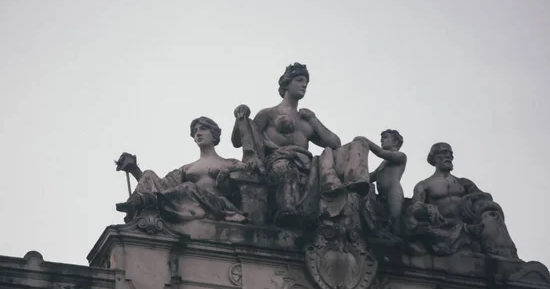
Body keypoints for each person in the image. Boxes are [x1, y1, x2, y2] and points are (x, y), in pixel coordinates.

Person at [231, 63, 370, 227]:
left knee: (357, 144)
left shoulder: (306, 120)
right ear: (287, 83)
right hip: (278, 160)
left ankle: (355, 185)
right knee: (285, 168)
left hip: (307, 164)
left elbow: (334, 143)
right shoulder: (268, 113)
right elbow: (238, 141)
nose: (304, 85)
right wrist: (240, 118)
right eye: (299, 80)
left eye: (306, 82)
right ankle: (287, 211)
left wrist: (314, 120)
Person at [116, 117, 247, 224]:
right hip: (191, 205)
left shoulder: (230, 163)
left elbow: (241, 188)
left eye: (203, 129)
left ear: (214, 135)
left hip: (217, 205)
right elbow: (160, 186)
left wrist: (224, 180)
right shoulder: (187, 168)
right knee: (149, 174)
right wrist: (134, 169)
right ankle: (139, 201)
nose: (198, 133)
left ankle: (146, 200)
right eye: (195, 131)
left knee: (188, 187)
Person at [406, 142, 517, 257]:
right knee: (417, 224)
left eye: (450, 154)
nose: (448, 156)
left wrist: (469, 197)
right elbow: (415, 206)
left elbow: (486, 196)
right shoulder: (424, 185)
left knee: (491, 210)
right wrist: (427, 207)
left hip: (466, 221)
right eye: (444, 153)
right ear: (434, 158)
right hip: (442, 224)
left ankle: (502, 255)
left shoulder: (463, 182)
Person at [356, 129, 407, 236]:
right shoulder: (384, 163)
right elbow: (371, 176)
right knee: (384, 220)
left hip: (393, 191)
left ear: (395, 142)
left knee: (394, 219)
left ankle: (400, 245)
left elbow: (380, 152)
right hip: (382, 195)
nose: (382, 140)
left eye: (385, 138)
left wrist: (365, 141)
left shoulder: (401, 156)